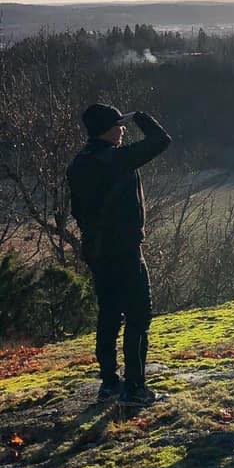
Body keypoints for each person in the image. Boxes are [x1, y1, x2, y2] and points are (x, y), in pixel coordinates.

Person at [67, 104, 172, 406]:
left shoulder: (78, 164)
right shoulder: (116, 160)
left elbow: (78, 209)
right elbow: (161, 140)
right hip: (125, 250)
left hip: (97, 252)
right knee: (139, 314)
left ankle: (109, 382)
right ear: (108, 129)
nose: (123, 129)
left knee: (109, 313)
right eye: (118, 124)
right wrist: (140, 117)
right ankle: (136, 388)